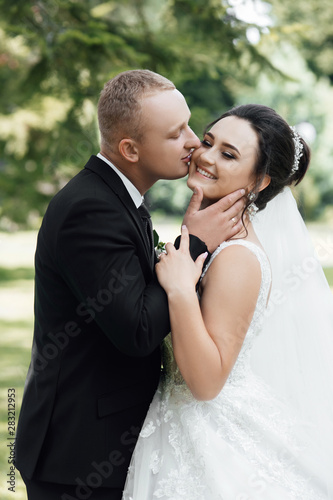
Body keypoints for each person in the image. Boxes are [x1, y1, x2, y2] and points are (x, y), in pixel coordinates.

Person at [14, 70, 246, 500]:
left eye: (189, 124)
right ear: (130, 149)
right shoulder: (89, 209)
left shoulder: (120, 198)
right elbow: (137, 330)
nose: (194, 142)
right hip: (79, 455)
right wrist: (193, 243)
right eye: (176, 134)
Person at [122, 104, 333, 499]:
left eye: (228, 154)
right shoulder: (214, 240)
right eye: (207, 141)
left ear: (260, 181)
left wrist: (182, 289)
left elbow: (206, 382)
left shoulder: (237, 258)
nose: (204, 156)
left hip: (210, 440)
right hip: (175, 423)